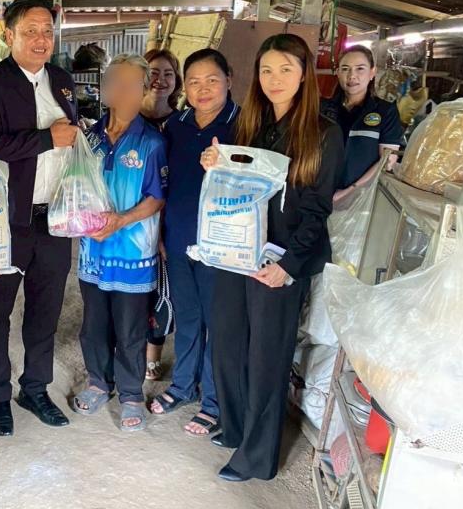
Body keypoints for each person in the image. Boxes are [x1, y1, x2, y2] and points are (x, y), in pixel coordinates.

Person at [206, 34, 344, 483]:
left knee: (267, 357)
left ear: (304, 75)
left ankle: (256, 457)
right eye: (266, 70)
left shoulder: (324, 133)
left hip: (281, 260)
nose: (274, 79)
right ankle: (235, 428)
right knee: (227, 344)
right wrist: (216, 165)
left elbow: (318, 210)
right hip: (238, 252)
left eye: (286, 69)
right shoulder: (250, 125)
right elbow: (234, 187)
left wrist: (287, 267)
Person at [0, 0, 78, 437]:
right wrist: (47, 139)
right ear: (9, 35)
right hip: (7, 221)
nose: (41, 39)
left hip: (55, 218)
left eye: (47, 31)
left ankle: (35, 388)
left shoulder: (62, 80)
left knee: (46, 310)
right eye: (30, 31)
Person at [70, 54, 167, 432]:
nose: (123, 91)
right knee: (94, 324)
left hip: (133, 254)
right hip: (93, 251)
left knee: (130, 329)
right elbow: (76, 187)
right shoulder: (89, 139)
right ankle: (98, 381)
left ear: (144, 91)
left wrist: (120, 221)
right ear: (104, 89)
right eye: (116, 83)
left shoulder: (152, 142)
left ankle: (130, 394)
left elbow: (157, 198)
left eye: (132, 84)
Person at [150, 49, 239, 437]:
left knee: (218, 323)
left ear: (229, 80)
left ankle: (214, 401)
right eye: (194, 82)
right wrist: (161, 232)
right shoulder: (176, 124)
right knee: (188, 316)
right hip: (180, 236)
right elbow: (164, 183)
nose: (203, 89)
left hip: (224, 244)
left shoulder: (244, 123)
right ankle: (183, 386)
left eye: (212, 80)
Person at [139, 48, 182, 380]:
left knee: (161, 287)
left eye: (168, 73)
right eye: (154, 72)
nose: (161, 79)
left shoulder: (181, 124)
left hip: (168, 216)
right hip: (132, 215)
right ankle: (127, 349)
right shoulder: (127, 118)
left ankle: (152, 354)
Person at [320, 45, 403, 202]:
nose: (352, 76)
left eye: (360, 69)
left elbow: (386, 161)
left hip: (361, 199)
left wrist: (348, 192)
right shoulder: (322, 108)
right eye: (345, 69)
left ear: (372, 73)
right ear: (337, 73)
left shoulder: (385, 111)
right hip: (318, 195)